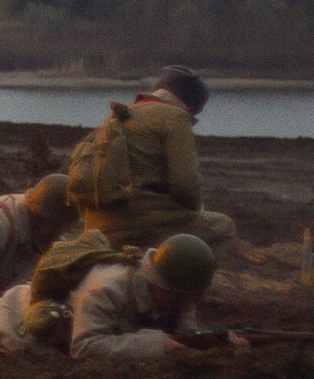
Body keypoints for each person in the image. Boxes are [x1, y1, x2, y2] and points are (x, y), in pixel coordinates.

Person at [0, 233, 247, 358]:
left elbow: (182, 332)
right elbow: (86, 347)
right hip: (13, 321)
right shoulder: (108, 287)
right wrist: (157, 346)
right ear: (166, 288)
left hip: (54, 324)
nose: (192, 305)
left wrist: (214, 342)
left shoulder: (169, 296)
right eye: (188, 297)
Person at [74, 65, 238, 256]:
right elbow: (185, 185)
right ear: (191, 108)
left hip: (95, 225)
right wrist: (194, 210)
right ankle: (171, 282)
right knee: (223, 228)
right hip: (135, 226)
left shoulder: (124, 113)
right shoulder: (175, 117)